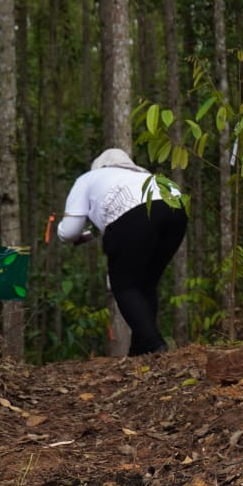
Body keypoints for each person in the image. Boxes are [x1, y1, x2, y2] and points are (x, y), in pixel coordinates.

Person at [58, 149, 187, 356]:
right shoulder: (143, 175)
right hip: (177, 210)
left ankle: (156, 346)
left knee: (124, 284)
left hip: (134, 214)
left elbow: (69, 231)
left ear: (98, 166)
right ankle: (139, 351)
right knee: (145, 284)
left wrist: (61, 230)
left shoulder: (88, 178)